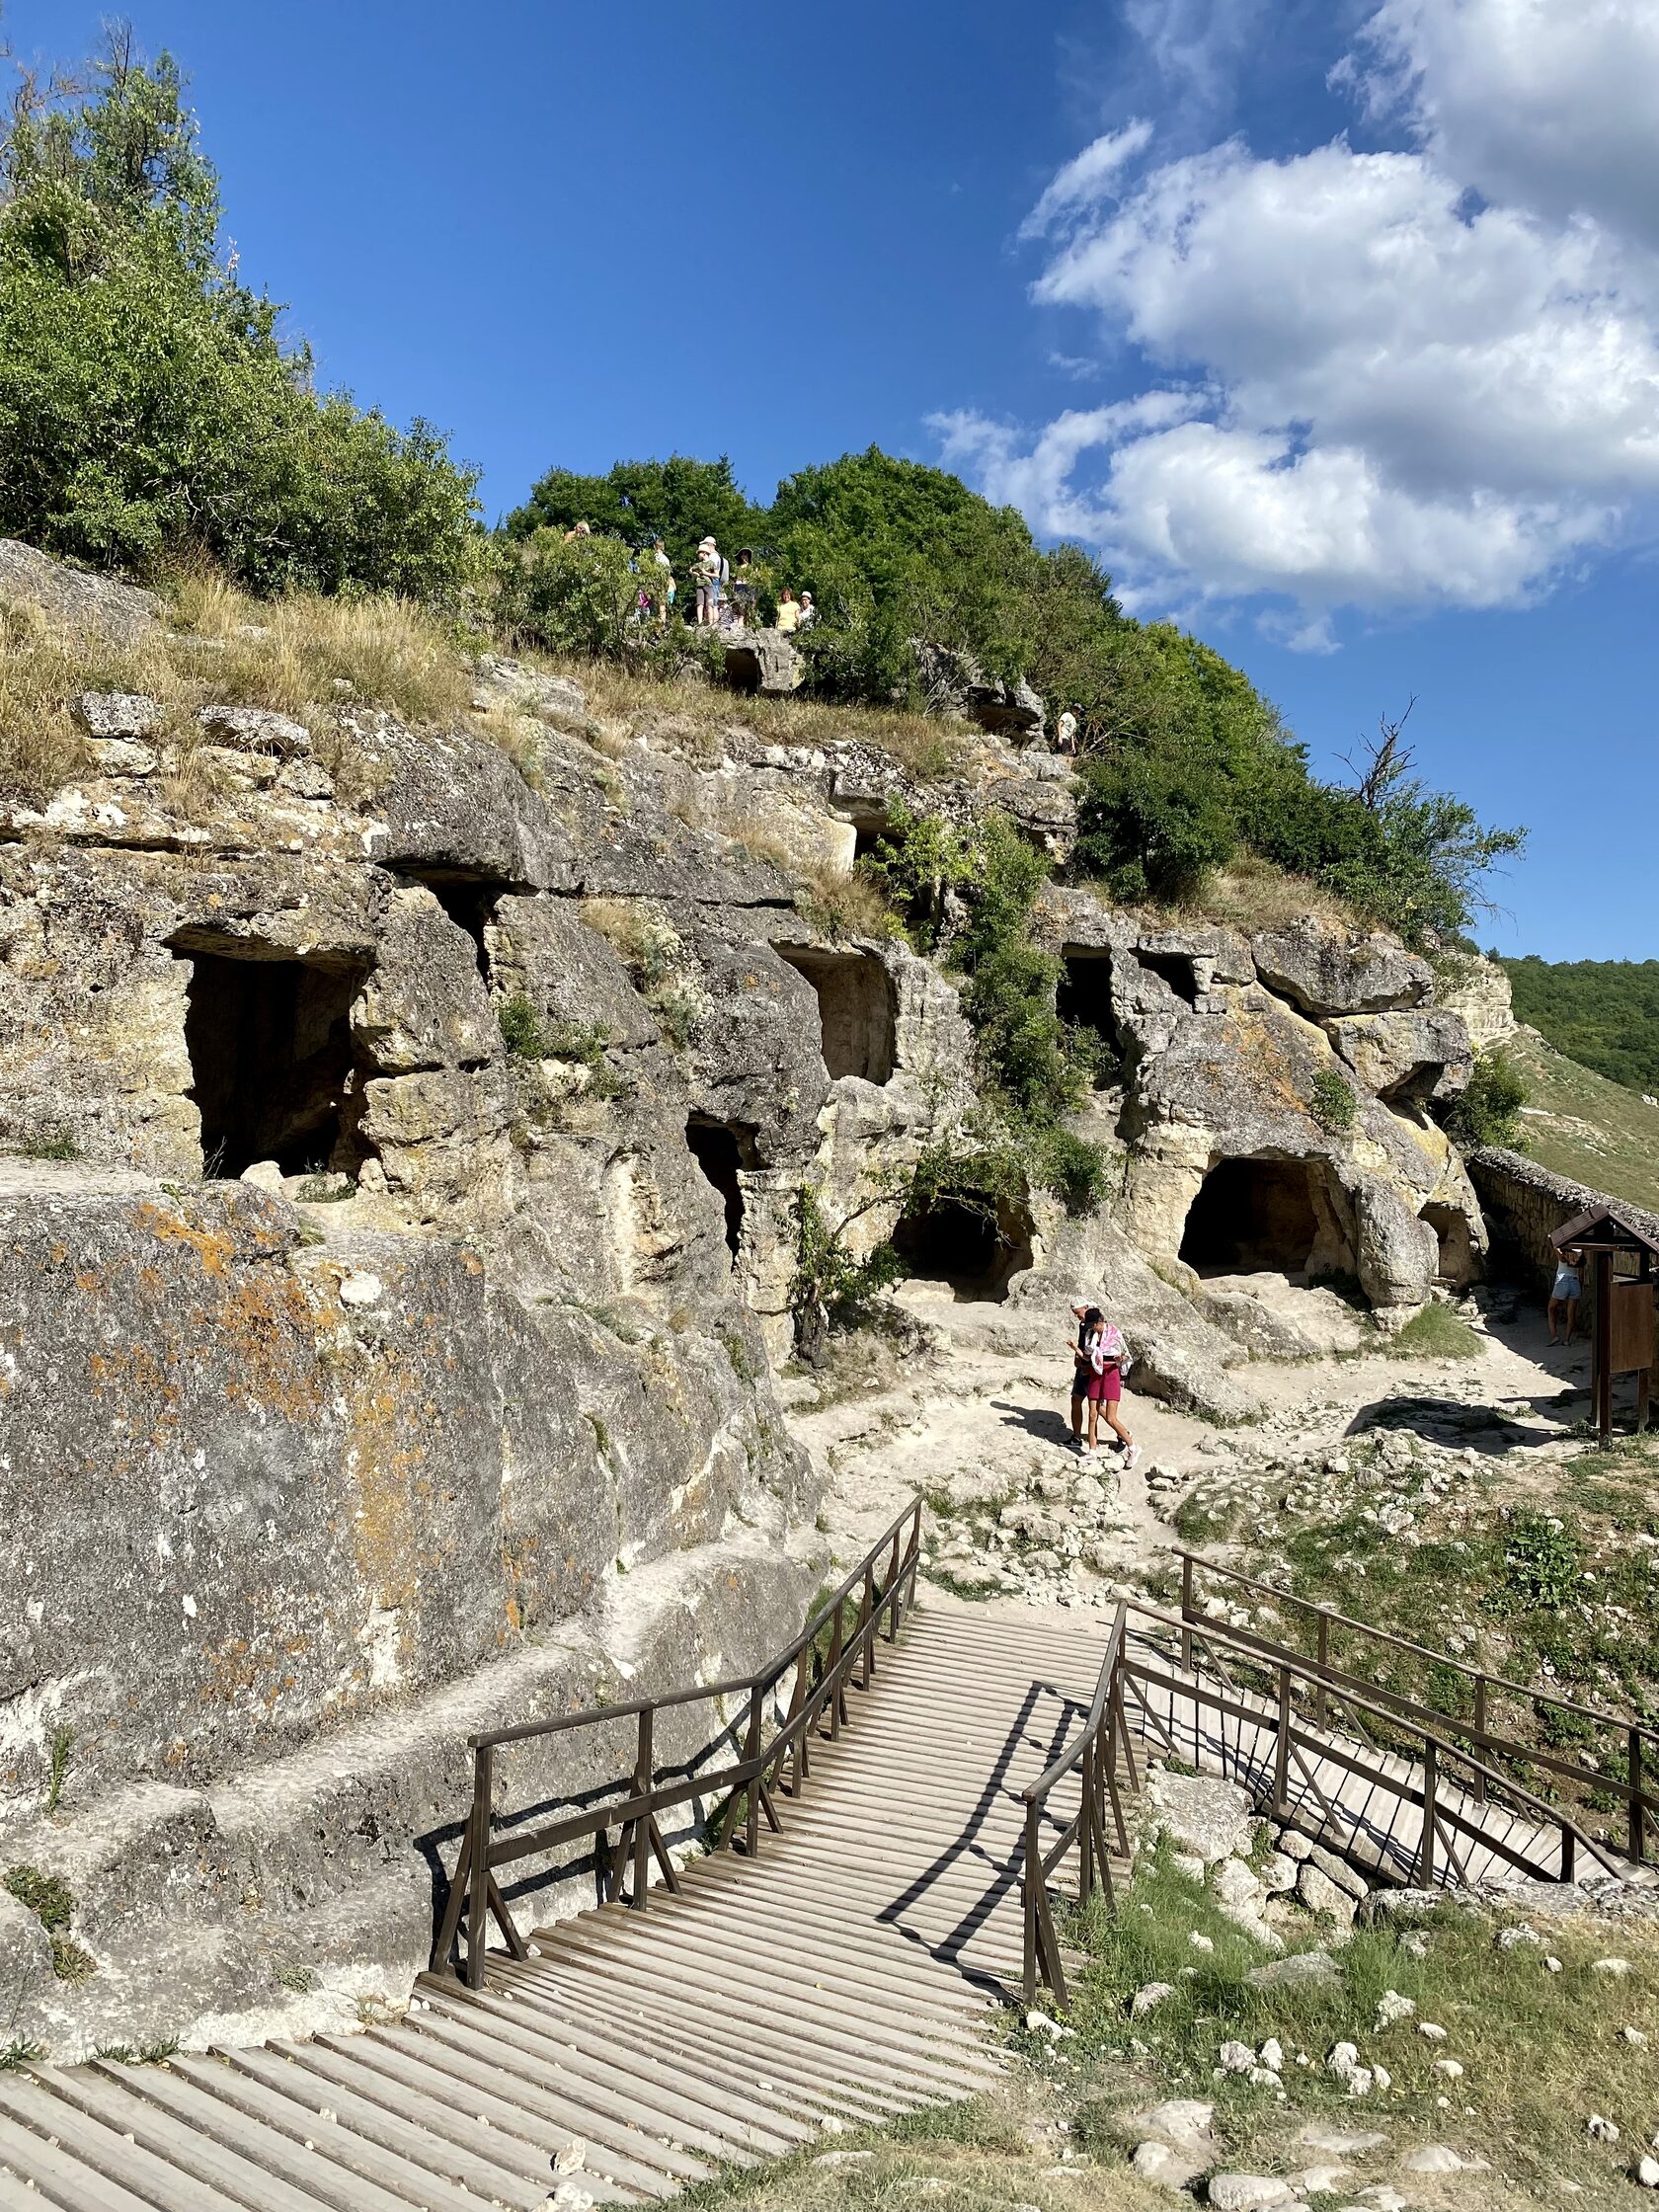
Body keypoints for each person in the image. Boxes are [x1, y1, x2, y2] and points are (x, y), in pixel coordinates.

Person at [1063, 1301, 1139, 1464]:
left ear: (1099, 1322)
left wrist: (1121, 1359)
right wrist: (1075, 1349)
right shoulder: (1091, 1335)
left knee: (1110, 1417)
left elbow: (1126, 1356)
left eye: (1093, 1325)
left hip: (1111, 1375)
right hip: (1096, 1374)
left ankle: (1132, 1447)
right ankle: (1092, 1451)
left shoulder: (1114, 1333)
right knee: (1092, 1415)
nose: (1091, 1328)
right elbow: (1088, 1357)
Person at [1548, 1245, 1584, 1346]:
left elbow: (1553, 1245)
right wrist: (1579, 1289)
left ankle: (1554, 1336)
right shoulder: (1581, 1259)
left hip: (1562, 1281)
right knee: (1571, 1314)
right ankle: (1567, 1340)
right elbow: (1582, 1276)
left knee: (1551, 1308)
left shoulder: (1563, 1255)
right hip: (1575, 1282)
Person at [695, 536, 722, 627]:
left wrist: (704, 573)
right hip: (715, 582)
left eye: (705, 544)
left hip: (712, 582)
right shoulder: (719, 556)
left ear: (709, 544)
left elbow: (714, 572)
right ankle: (711, 624)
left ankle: (713, 624)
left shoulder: (713, 557)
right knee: (712, 604)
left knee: (712, 605)